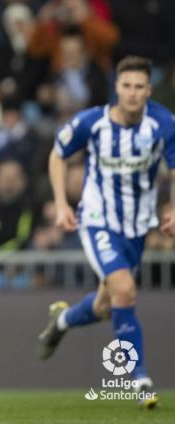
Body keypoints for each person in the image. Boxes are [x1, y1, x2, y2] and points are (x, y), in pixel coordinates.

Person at [36, 56, 175, 410]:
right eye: (126, 86)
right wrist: (62, 202)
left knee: (105, 305)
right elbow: (58, 154)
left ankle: (62, 319)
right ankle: (141, 381)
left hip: (137, 225)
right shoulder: (92, 122)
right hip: (98, 219)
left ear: (148, 90)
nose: (132, 93)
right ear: (116, 87)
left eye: (139, 87)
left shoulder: (163, 123)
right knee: (125, 290)